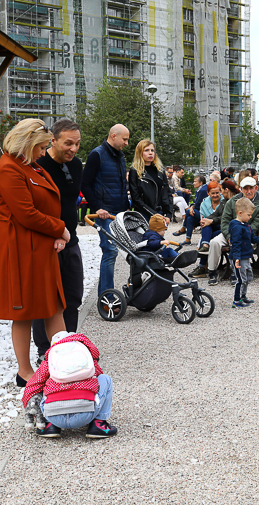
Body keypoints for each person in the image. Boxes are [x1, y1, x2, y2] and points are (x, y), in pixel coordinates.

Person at [0, 119, 69, 386]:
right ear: (27, 143)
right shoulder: (9, 169)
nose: (44, 151)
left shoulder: (27, 165)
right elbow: (26, 214)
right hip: (21, 247)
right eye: (41, 146)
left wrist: (56, 233)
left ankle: (64, 364)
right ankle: (24, 372)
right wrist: (60, 229)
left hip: (38, 245)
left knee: (53, 305)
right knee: (23, 310)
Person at [33, 119, 84, 363]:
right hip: (47, 243)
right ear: (52, 141)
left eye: (77, 144)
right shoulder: (38, 166)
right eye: (68, 144)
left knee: (73, 295)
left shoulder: (76, 166)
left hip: (70, 241)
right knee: (46, 299)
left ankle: (69, 343)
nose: (73, 149)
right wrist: (54, 232)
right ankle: (45, 350)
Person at [22, 331, 117, 439]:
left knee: (44, 383)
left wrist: (30, 409)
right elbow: (99, 375)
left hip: (53, 415)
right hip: (86, 414)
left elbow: (32, 385)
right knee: (105, 379)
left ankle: (49, 425)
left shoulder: (49, 362)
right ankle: (99, 423)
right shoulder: (86, 357)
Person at [82, 124, 130, 297]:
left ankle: (105, 293)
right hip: (104, 212)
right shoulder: (97, 154)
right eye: (124, 139)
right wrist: (97, 207)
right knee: (110, 251)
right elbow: (85, 183)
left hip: (119, 212)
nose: (126, 143)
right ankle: (107, 297)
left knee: (119, 252)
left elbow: (120, 185)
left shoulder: (120, 156)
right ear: (113, 135)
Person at [206, 173, 259, 286]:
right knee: (214, 242)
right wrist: (229, 236)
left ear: (256, 188)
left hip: (248, 235)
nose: (249, 191)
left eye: (251, 188)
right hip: (231, 232)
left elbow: (257, 224)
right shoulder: (232, 201)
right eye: (245, 188)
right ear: (241, 189)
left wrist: (240, 236)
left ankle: (236, 273)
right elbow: (224, 221)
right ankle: (212, 271)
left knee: (241, 243)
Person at [228, 197, 259, 307]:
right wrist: (237, 258)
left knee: (248, 277)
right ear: (240, 213)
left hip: (245, 257)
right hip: (238, 258)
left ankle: (243, 296)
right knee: (241, 279)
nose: (250, 217)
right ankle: (236, 300)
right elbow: (236, 243)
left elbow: (252, 238)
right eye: (249, 215)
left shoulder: (246, 225)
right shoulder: (236, 227)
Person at [128, 138, 174, 223]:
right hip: (143, 213)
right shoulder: (134, 171)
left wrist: (168, 214)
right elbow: (135, 197)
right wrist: (153, 213)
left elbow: (167, 193)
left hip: (160, 213)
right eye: (146, 150)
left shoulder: (160, 171)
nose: (150, 153)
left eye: (152, 150)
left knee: (157, 236)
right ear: (140, 153)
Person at [174, 174, 206, 244]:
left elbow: (198, 205)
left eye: (195, 181)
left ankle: (183, 228)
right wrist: (192, 207)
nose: (193, 183)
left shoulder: (203, 190)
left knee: (188, 211)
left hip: (205, 214)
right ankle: (187, 240)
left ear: (201, 183)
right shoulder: (200, 189)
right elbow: (195, 203)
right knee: (190, 219)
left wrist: (192, 207)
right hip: (199, 211)